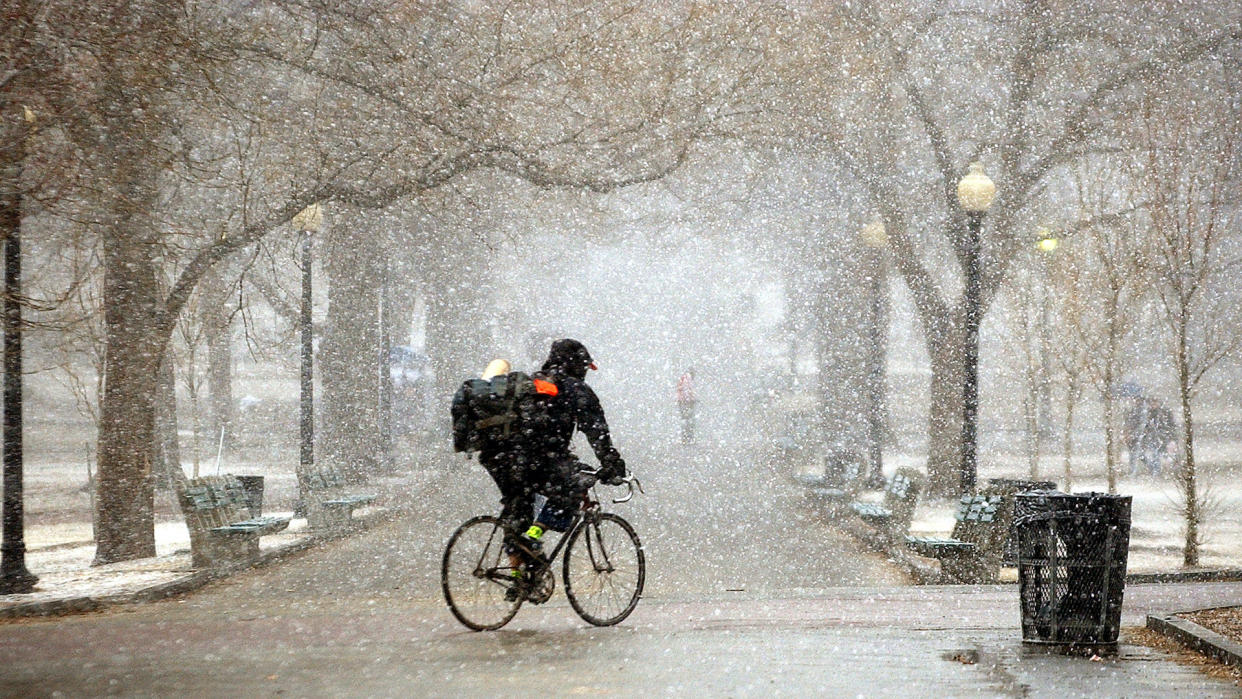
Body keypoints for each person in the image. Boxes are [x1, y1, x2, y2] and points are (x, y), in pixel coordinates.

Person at [520, 339, 628, 548]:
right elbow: (597, 431)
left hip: (512, 457)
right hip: (545, 459)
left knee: (518, 509)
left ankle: (519, 568)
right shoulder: (574, 388)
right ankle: (533, 535)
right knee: (573, 488)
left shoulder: (532, 382)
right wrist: (612, 464)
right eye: (585, 367)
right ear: (576, 364)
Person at [676, 368, 697, 445]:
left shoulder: (683, 378)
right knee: (689, 420)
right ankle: (688, 437)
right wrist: (690, 400)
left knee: (685, 419)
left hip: (682, 402)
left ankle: (685, 437)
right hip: (686, 403)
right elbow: (687, 390)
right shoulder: (688, 379)